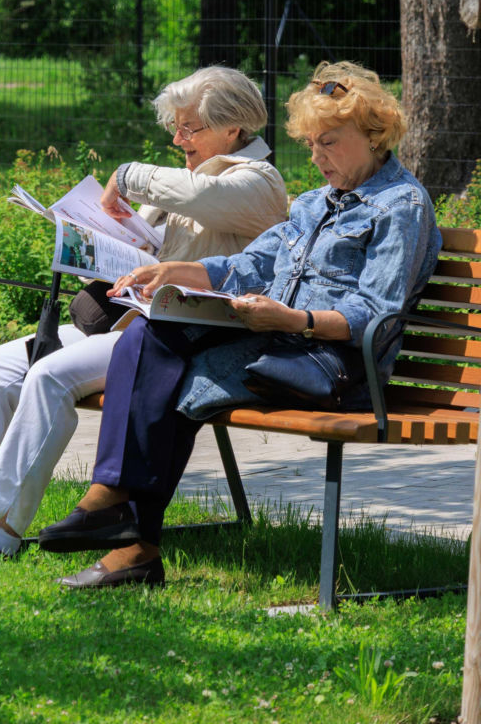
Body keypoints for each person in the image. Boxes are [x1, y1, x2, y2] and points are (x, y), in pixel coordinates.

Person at [38, 61, 442, 588]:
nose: (316, 156)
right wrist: (176, 272)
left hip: (338, 369)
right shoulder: (316, 203)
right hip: (277, 342)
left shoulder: (401, 207)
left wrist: (291, 317)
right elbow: (252, 265)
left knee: (173, 376)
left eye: (329, 142)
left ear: (374, 136)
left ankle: (128, 537)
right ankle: (115, 510)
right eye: (310, 144)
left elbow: (376, 315)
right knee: (149, 327)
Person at [0, 66, 288, 562]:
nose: (178, 139)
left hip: (182, 336)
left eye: (190, 128)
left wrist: (125, 176)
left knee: (50, 376)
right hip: (129, 319)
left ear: (233, 129)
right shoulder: (185, 179)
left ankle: (0, 533)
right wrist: (95, 245)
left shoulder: (259, 181)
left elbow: (202, 200)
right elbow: (144, 248)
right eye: (175, 128)